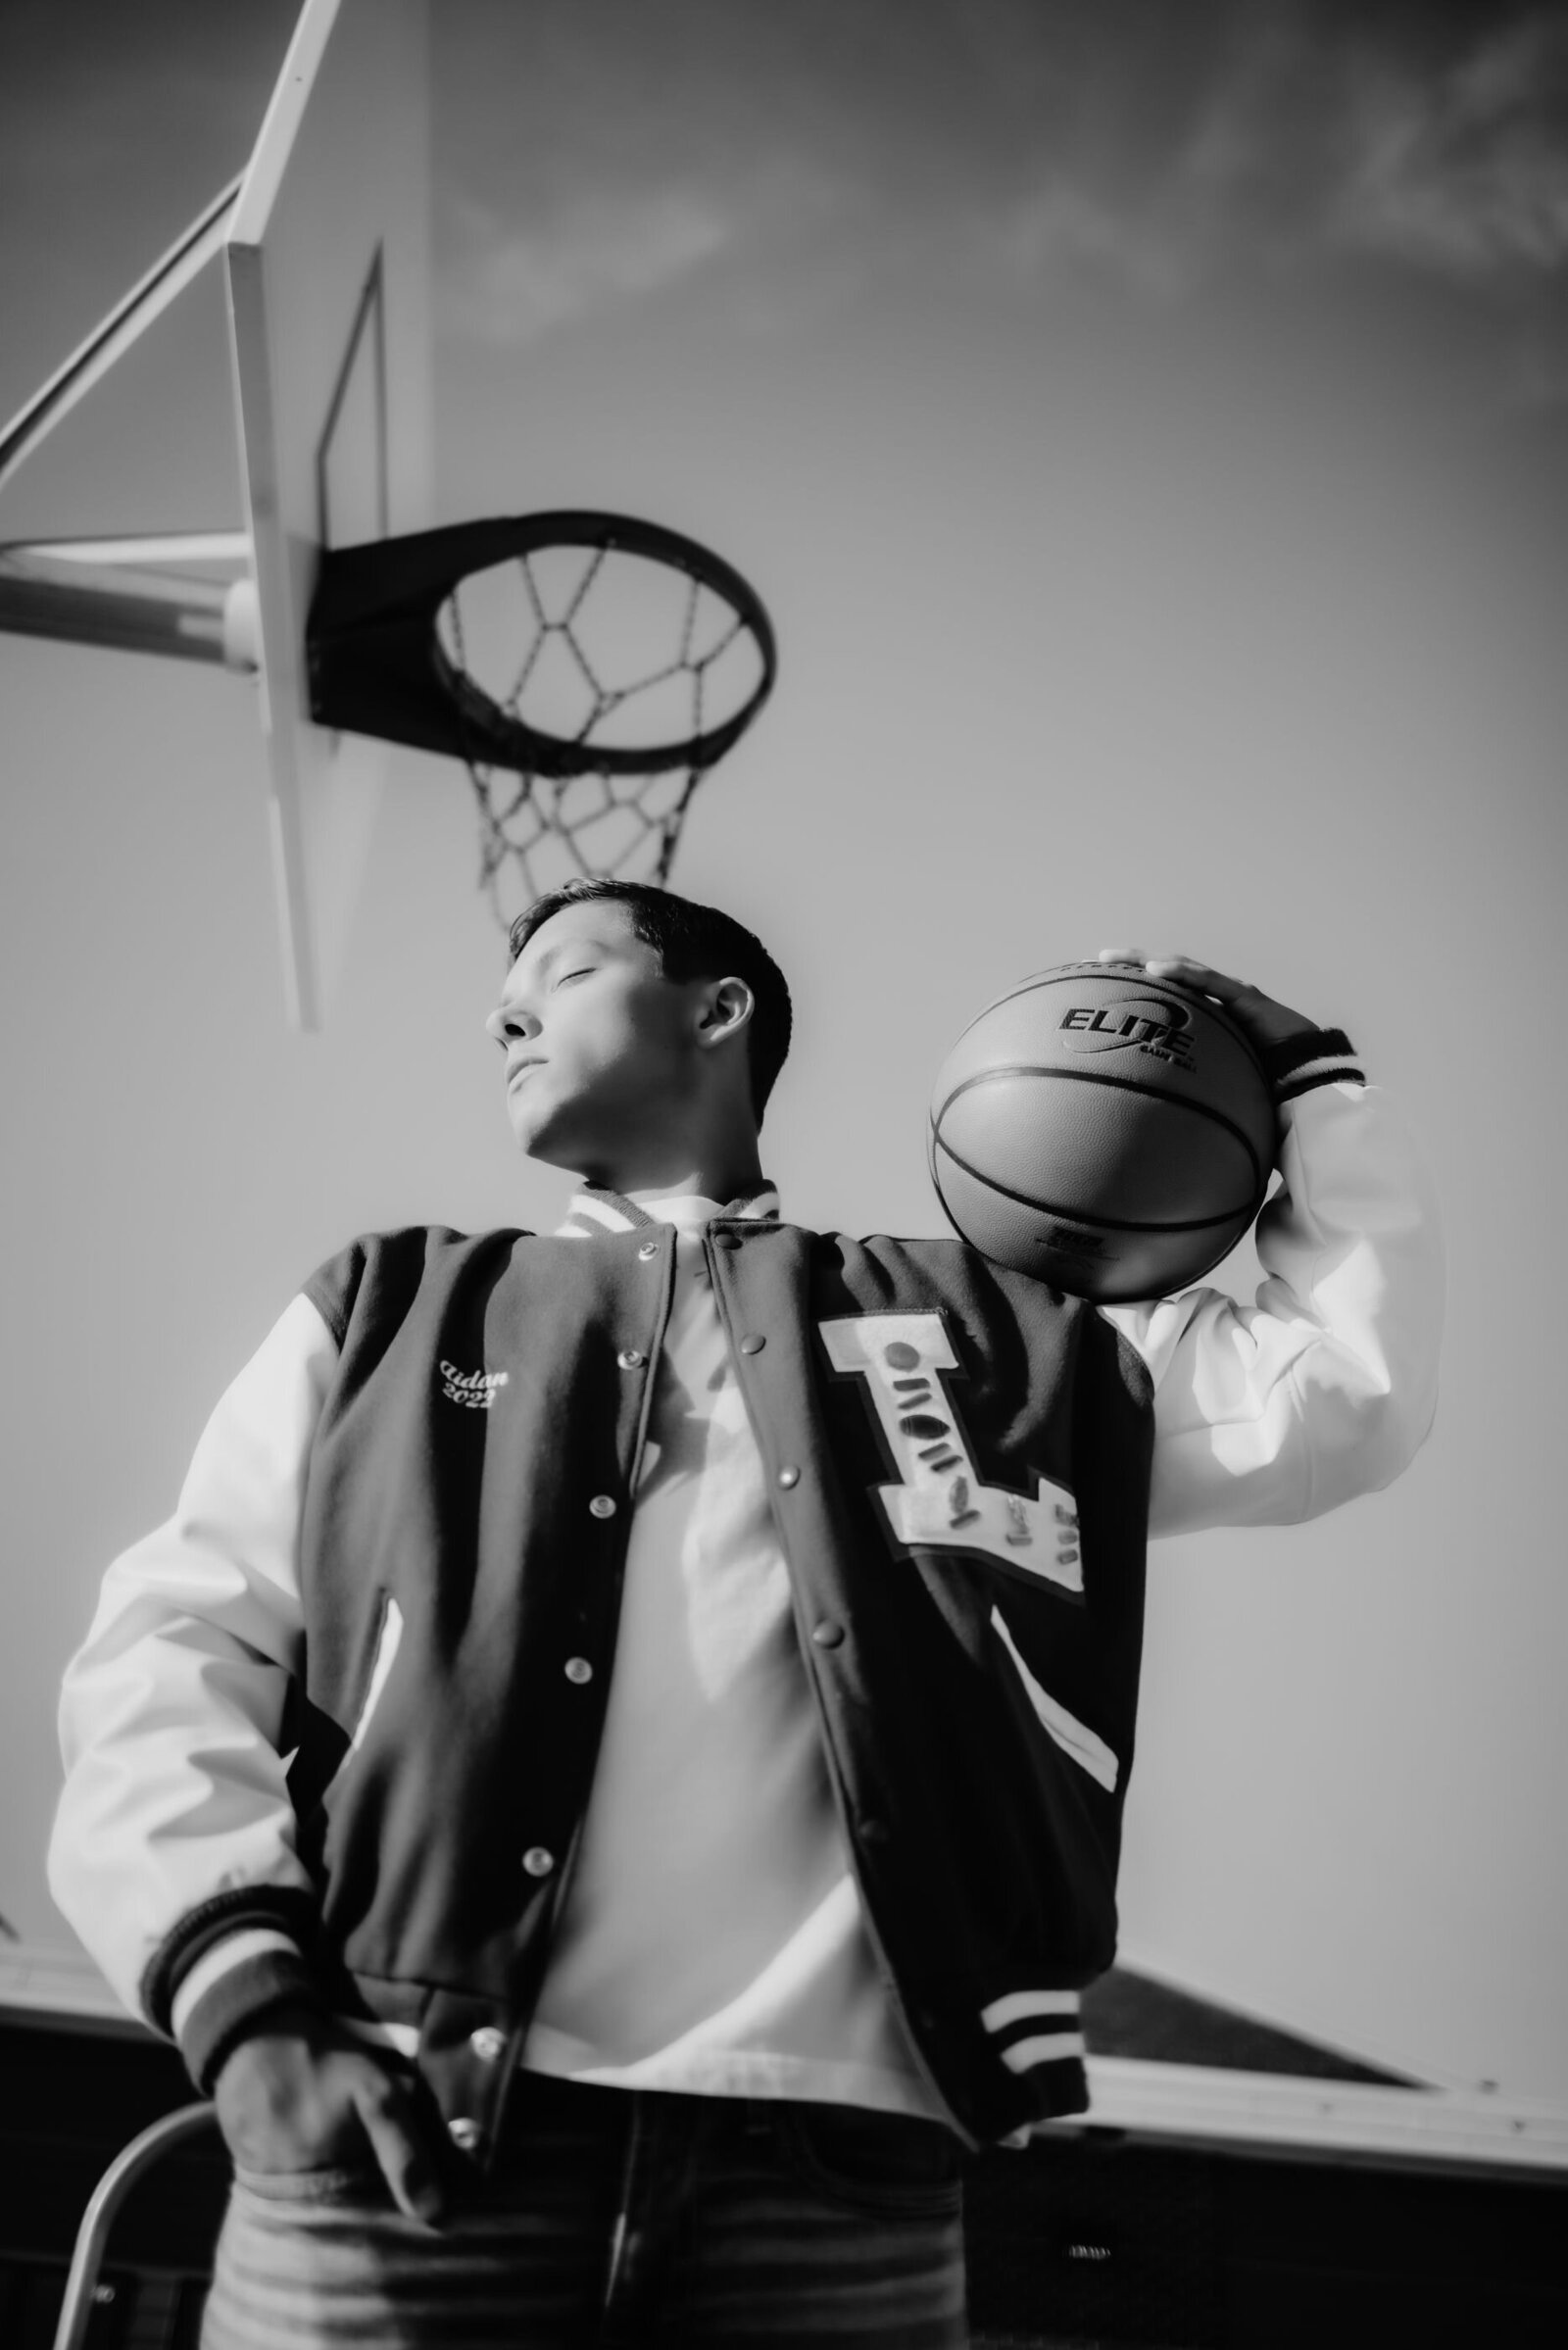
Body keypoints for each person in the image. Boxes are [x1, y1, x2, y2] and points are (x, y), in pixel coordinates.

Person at [48, 880, 1443, 2348]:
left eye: (565, 969)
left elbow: (1341, 1394)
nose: (503, 1009)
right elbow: (171, 1650)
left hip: (845, 2175)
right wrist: (246, 2004)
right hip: (410, 2143)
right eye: (505, 989)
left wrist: (1310, 1080)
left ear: (719, 1013)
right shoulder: (394, 1305)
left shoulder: (987, 1342)